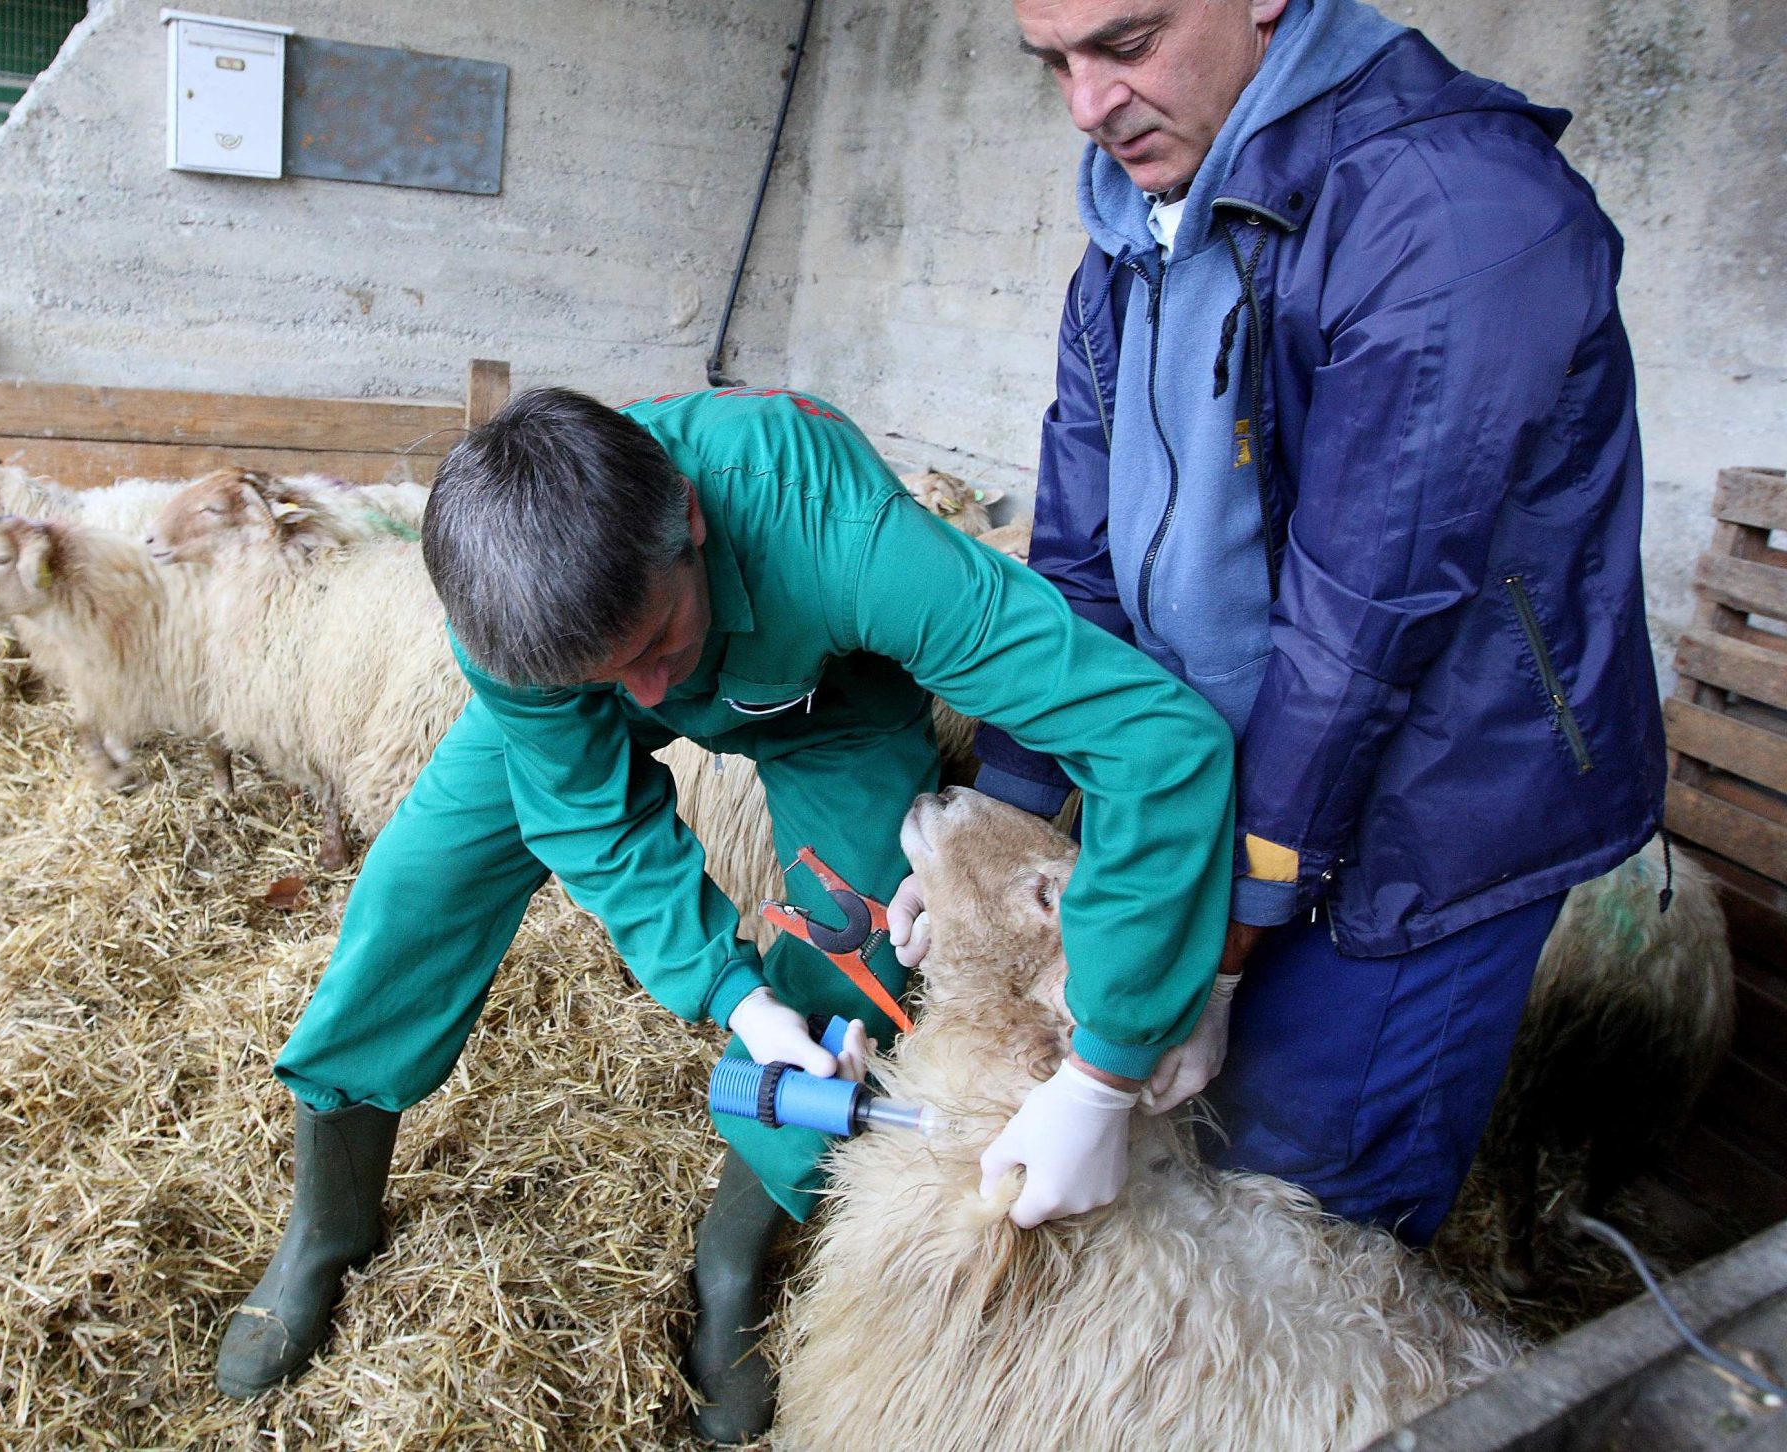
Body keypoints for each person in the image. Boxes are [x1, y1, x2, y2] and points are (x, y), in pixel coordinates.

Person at [213, 383, 1237, 1442]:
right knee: (412, 894)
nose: (655, 696)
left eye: (657, 640)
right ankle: (324, 1230)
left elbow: (1154, 743)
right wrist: (732, 997)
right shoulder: (515, 622)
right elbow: (591, 814)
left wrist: (1108, 1064)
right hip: (575, 692)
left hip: (821, 708)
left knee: (863, 943)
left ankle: (733, 1264)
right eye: (621, 669)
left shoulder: (843, 536)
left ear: (692, 525)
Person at [950, 0, 1666, 1246]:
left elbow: (1365, 627)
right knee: (1181, 1162)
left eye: (1126, 45)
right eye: (1055, 62)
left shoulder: (1451, 213)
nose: (1086, 104)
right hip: (1236, 776)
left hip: (1430, 819)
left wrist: (1221, 953)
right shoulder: (1134, 230)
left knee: (1295, 1216)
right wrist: (1003, 819)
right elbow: (1080, 553)